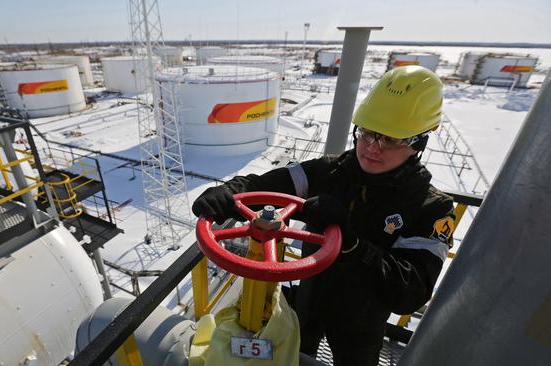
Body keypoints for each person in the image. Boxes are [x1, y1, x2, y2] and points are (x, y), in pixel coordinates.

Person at [191, 65, 455, 366]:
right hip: (309, 305)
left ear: (418, 143)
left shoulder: (431, 208)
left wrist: (353, 246)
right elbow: (270, 184)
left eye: (391, 140)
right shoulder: (330, 171)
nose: (371, 148)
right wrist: (232, 190)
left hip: (361, 324)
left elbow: (411, 292)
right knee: (295, 356)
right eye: (367, 133)